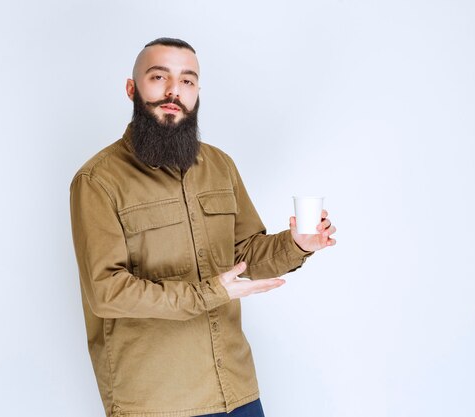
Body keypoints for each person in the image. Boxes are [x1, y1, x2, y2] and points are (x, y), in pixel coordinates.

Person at [70, 38, 337, 417]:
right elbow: (106, 291)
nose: (173, 92)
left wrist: (297, 244)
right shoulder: (98, 181)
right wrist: (209, 292)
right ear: (132, 89)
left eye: (187, 81)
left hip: (238, 390)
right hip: (157, 401)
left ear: (197, 93)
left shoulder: (220, 166)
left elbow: (243, 256)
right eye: (158, 76)